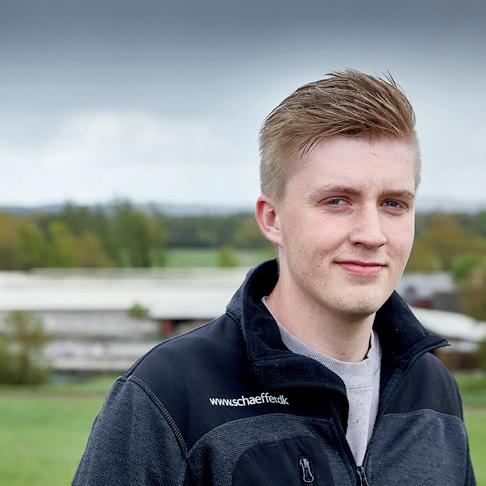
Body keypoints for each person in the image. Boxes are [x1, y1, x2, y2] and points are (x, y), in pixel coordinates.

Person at [73, 70, 476, 485]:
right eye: (337, 201)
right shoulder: (169, 393)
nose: (372, 235)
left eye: (393, 203)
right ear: (272, 219)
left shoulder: (433, 389)